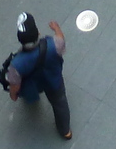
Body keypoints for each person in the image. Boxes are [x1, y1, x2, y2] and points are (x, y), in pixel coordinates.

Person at [5, 13, 70, 141]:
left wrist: (13, 95)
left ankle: (32, 99)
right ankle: (65, 130)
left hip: (33, 85)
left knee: (28, 92)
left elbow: (15, 86)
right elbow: (61, 38)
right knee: (60, 104)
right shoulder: (55, 45)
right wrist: (56, 28)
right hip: (54, 82)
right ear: (38, 33)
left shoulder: (16, 65)